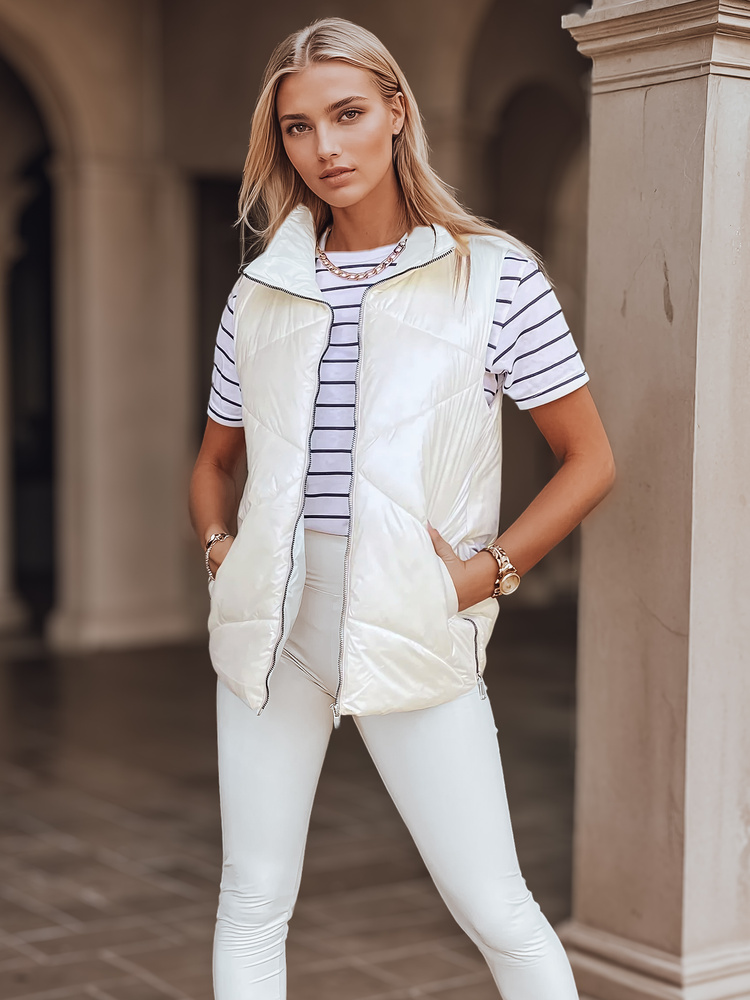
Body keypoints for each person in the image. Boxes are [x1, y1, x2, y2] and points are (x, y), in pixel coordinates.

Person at [188, 16, 614, 999]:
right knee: (250, 900)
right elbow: (213, 461)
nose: (325, 148)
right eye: (298, 127)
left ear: (396, 112)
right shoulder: (261, 291)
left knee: (497, 908)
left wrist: (481, 576)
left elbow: (590, 460)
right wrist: (222, 549)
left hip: (414, 614)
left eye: (346, 115)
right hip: (272, 630)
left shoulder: (493, 275)